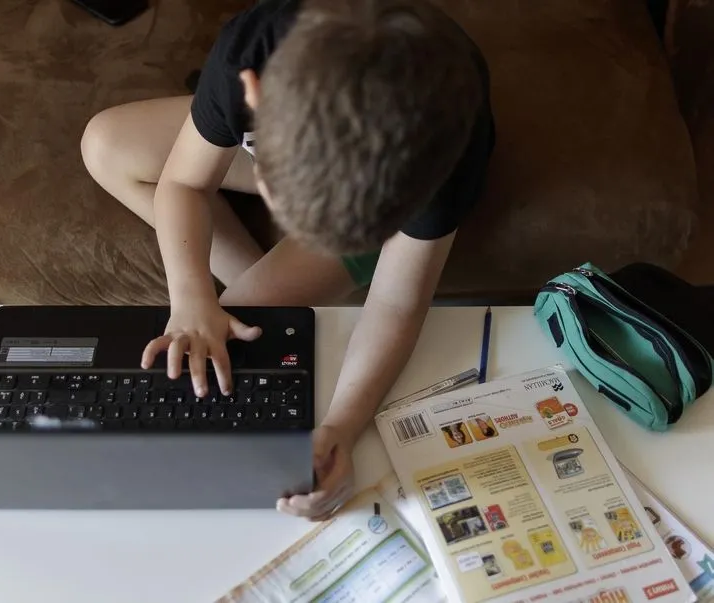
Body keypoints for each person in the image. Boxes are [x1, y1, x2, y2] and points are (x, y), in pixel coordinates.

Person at [81, 0, 495, 520]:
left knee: (247, 322)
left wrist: (342, 428)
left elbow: (396, 303)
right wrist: (190, 299)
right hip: (314, 115)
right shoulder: (249, 50)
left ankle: (285, 287)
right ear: (253, 95)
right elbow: (185, 183)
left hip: (391, 160)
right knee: (104, 144)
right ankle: (274, 291)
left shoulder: (443, 153)